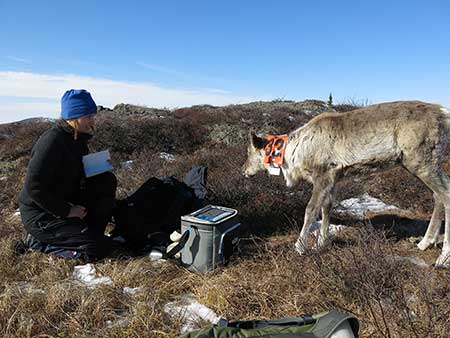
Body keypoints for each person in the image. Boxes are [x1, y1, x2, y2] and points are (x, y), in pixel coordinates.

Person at [19, 89, 117, 261]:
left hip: (64, 199)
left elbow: (77, 176)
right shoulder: (51, 142)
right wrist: (67, 210)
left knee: (106, 180)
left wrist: (99, 168)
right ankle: (37, 242)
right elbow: (34, 187)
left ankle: (85, 232)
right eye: (88, 117)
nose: (92, 121)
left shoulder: (77, 140)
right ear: (74, 116)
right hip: (41, 215)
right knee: (97, 248)